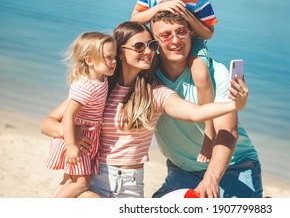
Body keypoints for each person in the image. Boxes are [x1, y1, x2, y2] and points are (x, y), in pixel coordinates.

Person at [41, 21, 249, 198]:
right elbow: (48, 122)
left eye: (151, 45)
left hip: (131, 186)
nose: (148, 51)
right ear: (120, 52)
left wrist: (234, 105)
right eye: (139, 46)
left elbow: (194, 112)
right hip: (93, 178)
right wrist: (72, 135)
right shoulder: (100, 88)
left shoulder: (154, 93)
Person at [150, 11, 262, 198]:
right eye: (165, 35)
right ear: (154, 42)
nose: (176, 41)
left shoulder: (216, 72)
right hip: (182, 168)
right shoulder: (148, 77)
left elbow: (228, 131)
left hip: (233, 166)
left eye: (181, 32)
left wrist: (211, 178)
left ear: (190, 34)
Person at [130, 0, 217, 163]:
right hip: (159, 38)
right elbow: (135, 19)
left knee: (200, 73)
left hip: (190, 40)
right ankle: (135, 126)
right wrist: (159, 7)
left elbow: (208, 33)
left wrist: (189, 17)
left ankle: (209, 133)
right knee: (139, 69)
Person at [44, 31, 117, 198]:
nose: (114, 61)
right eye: (108, 57)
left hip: (87, 135)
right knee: (82, 183)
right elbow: (68, 115)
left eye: (114, 57)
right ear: (90, 60)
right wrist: (71, 146)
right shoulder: (85, 86)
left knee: (69, 181)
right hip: (78, 138)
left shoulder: (102, 78)